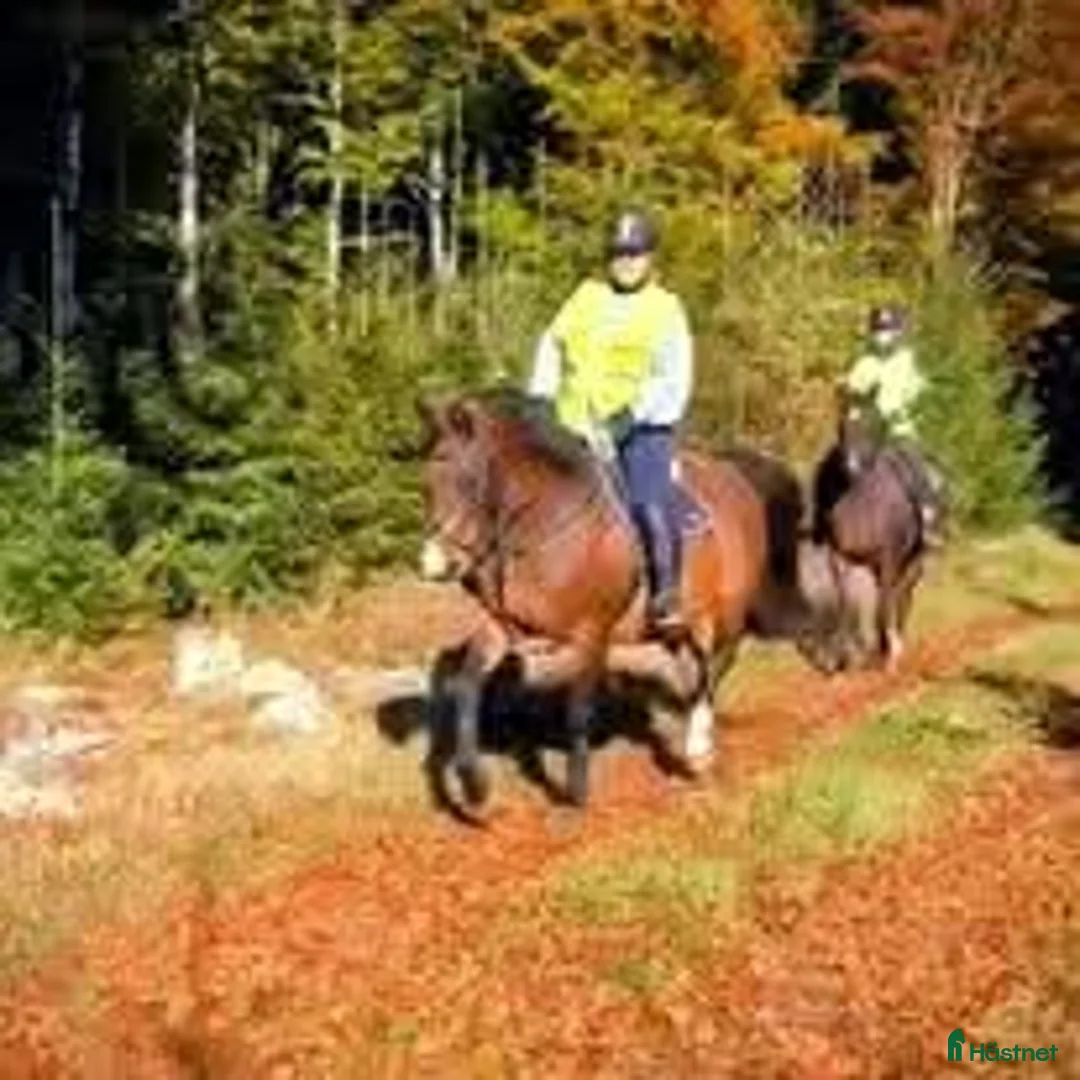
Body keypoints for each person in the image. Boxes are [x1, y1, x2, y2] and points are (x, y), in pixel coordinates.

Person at [528, 208, 693, 638]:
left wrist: (631, 416)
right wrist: (541, 398)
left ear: (650, 257)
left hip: (639, 429)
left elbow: (673, 378)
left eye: (634, 254)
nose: (625, 262)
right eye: (619, 253)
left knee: (647, 503)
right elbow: (551, 343)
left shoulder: (665, 309)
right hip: (574, 424)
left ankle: (666, 597)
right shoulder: (586, 295)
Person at [844, 304, 947, 548]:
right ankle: (819, 521)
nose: (882, 335)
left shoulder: (908, 362)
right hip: (866, 433)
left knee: (920, 471)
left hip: (899, 432)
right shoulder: (864, 363)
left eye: (887, 330)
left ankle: (929, 523)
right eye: (878, 330)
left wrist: (906, 410)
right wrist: (850, 402)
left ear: (898, 333)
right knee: (832, 466)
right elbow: (852, 394)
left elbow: (920, 393)